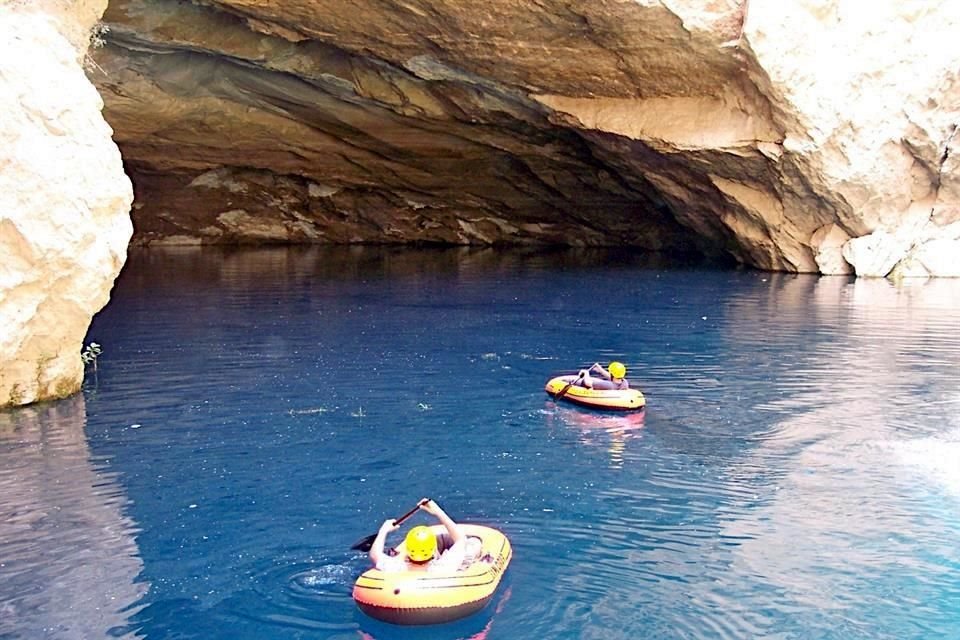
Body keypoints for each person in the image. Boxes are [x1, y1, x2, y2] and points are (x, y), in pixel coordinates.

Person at [369, 498, 467, 572]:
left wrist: (383, 530)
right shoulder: (443, 568)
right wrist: (438, 512)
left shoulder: (395, 568)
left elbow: (375, 555)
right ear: (433, 551)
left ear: (407, 550)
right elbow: (461, 539)